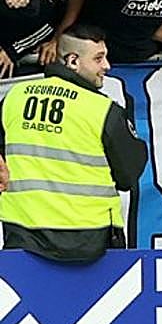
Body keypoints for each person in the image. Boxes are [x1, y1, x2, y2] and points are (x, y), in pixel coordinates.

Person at [0, 23, 148, 263]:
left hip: (23, 238)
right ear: (72, 61)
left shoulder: (15, 97)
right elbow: (128, 176)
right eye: (98, 59)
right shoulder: (103, 110)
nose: (107, 66)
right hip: (90, 242)